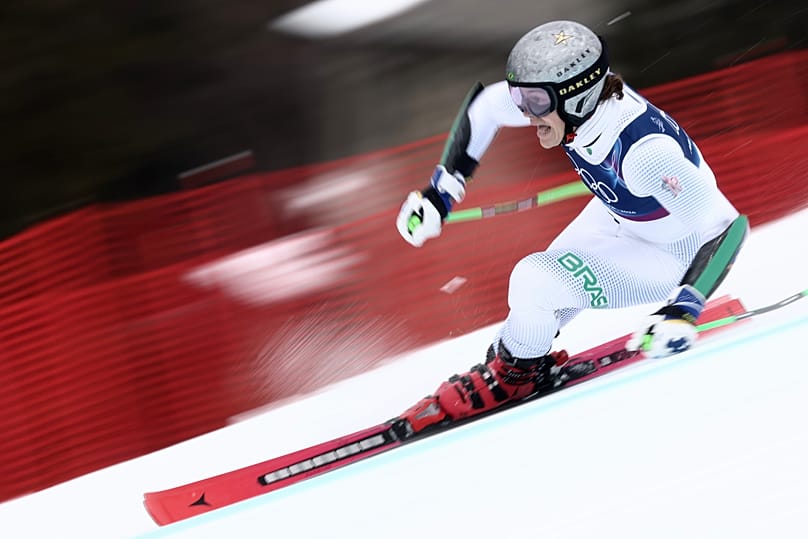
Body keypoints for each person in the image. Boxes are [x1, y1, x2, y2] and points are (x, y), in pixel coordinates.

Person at [394, 20, 747, 431]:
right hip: (620, 216)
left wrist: (683, 308)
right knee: (525, 320)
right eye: (520, 96)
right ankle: (516, 362)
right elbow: (488, 106)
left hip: (672, 256)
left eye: (535, 101)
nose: (525, 112)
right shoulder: (575, 111)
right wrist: (441, 192)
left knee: (533, 281)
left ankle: (513, 378)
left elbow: (727, 227)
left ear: (577, 98)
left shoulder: (644, 154)